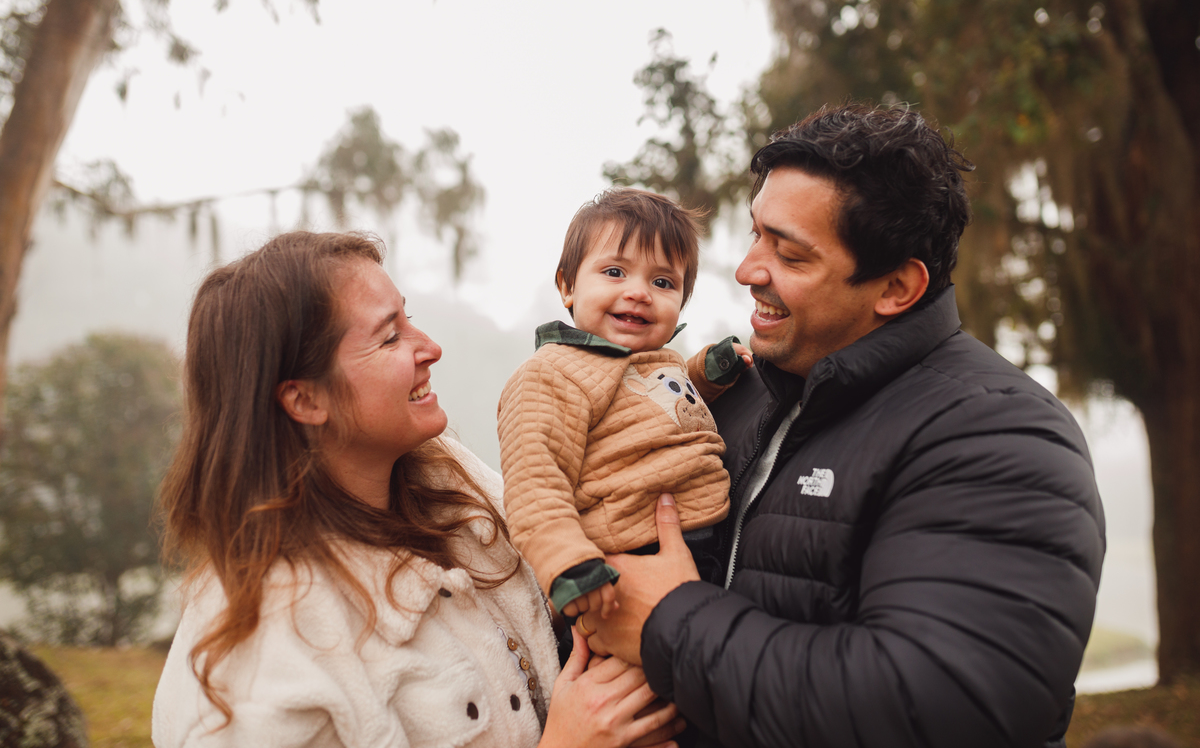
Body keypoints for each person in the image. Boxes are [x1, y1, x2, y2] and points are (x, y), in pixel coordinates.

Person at [579, 104, 1106, 748]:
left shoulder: (1001, 435)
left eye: (791, 256)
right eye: (756, 235)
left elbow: (938, 711)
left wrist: (669, 624)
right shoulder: (735, 389)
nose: (748, 271)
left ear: (895, 288)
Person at [152, 231, 685, 748]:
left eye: (411, 318)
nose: (430, 347)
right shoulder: (259, 666)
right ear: (305, 401)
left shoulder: (452, 479)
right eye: (389, 336)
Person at [498, 189, 751, 625]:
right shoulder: (553, 373)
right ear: (567, 286)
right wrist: (568, 564)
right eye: (615, 272)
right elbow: (535, 481)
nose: (639, 293)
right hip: (624, 565)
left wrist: (706, 375)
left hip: (716, 546)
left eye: (663, 282)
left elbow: (660, 403)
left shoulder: (656, 360)